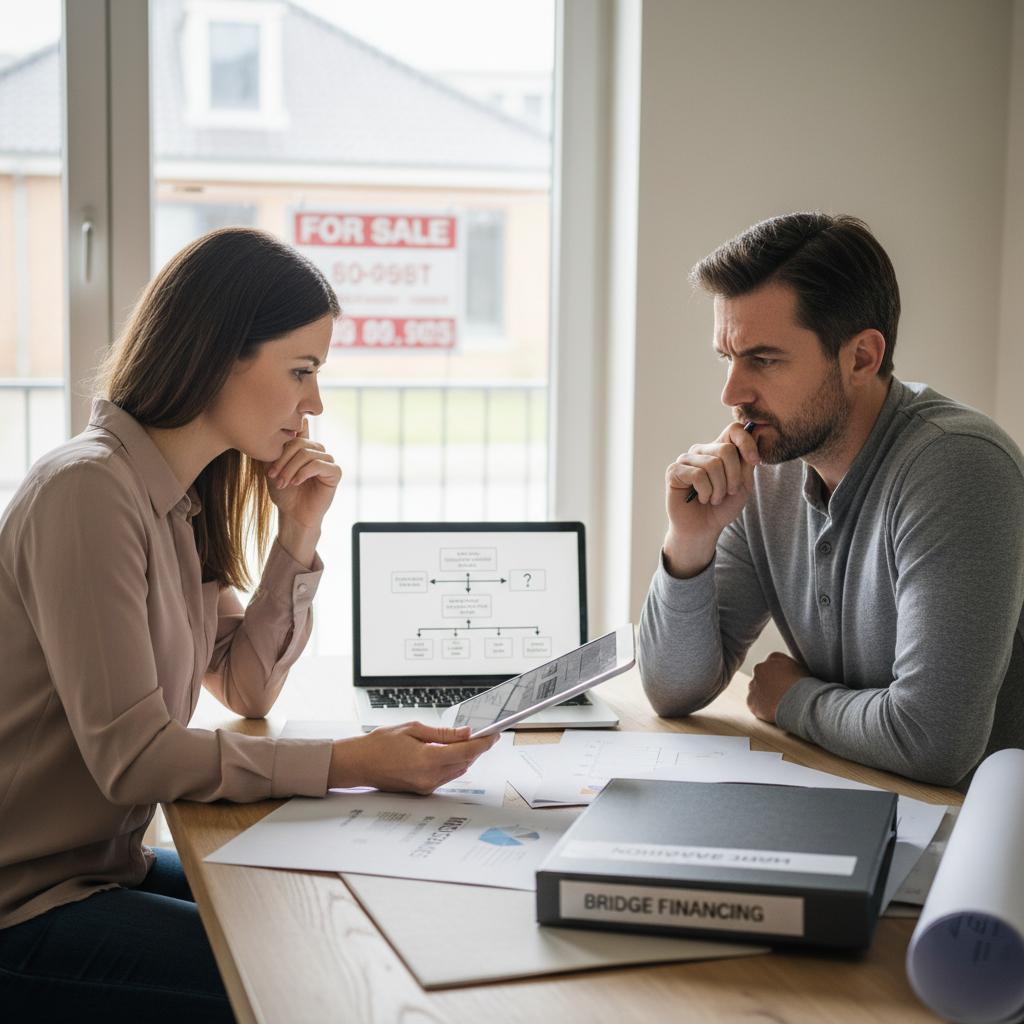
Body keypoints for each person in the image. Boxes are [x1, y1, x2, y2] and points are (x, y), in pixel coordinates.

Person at [0, 227, 495, 1020]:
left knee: (327, 917)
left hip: (103, 867)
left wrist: (297, 533)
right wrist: (353, 760)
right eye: (302, 370)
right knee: (314, 977)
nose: (315, 403)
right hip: (25, 907)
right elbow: (134, 760)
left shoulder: (176, 498)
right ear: (218, 352)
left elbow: (246, 686)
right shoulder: (88, 493)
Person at [637, 212, 1024, 790]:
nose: (731, 393)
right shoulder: (768, 470)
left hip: (972, 837)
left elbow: (933, 742)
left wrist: (793, 698)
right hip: (856, 790)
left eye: (764, 360)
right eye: (728, 357)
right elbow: (673, 690)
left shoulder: (956, 465)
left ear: (862, 357)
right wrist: (689, 541)